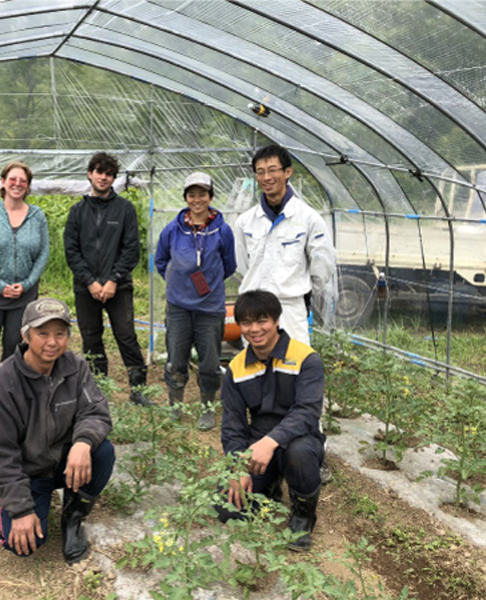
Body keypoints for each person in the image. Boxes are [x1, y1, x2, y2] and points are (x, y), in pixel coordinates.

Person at [0, 298, 115, 564]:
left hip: (66, 462)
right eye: (42, 333)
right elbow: (1, 454)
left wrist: (82, 443)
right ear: (25, 335)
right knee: (21, 545)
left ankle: (73, 515)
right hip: (29, 471)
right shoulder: (4, 383)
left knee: (102, 451)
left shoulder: (75, 367)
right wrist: (20, 510)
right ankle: (23, 506)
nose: (52, 342)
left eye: (60, 333)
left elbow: (96, 412)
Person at [218, 290, 325, 552]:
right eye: (246, 323)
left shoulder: (306, 359)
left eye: (262, 321)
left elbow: (307, 413)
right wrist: (238, 466)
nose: (254, 330)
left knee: (298, 453)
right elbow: (233, 425)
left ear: (276, 320)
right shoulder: (236, 368)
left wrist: (271, 442)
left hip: (299, 441)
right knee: (227, 508)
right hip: (257, 449)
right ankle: (271, 485)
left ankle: (303, 514)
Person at [64, 151, 149, 405]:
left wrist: (113, 279)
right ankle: (98, 389)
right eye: (99, 172)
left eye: (109, 174)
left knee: (126, 335)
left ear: (114, 179)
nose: (104, 177)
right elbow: (72, 251)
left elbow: (131, 249)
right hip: (85, 287)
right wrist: (90, 281)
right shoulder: (77, 211)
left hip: (118, 287)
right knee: (91, 336)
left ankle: (138, 389)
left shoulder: (124, 210)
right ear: (90, 174)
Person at [155, 172, 237, 430]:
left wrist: (208, 286)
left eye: (202, 193)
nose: (197, 199)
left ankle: (207, 408)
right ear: (186, 198)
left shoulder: (222, 231)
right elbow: (160, 261)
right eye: (192, 194)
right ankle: (175, 407)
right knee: (176, 360)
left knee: (210, 363)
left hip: (210, 309)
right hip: (178, 307)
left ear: (210, 196)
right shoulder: (173, 229)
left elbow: (229, 266)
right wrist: (179, 283)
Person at [233, 144, 336, 347]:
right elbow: (242, 264)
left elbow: (323, 265)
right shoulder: (245, 222)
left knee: (292, 368)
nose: (266, 178)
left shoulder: (308, 219)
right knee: (258, 371)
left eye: (272, 170)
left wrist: (300, 289)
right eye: (260, 172)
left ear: (288, 172)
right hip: (254, 311)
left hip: (290, 309)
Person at [0, 161, 50, 371]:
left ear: (28, 186)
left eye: (23, 181)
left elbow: (43, 253)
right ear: (3, 182)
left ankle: (7, 393)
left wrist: (27, 283)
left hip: (23, 295)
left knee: (14, 347)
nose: (17, 184)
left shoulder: (37, 216)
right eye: (12, 179)